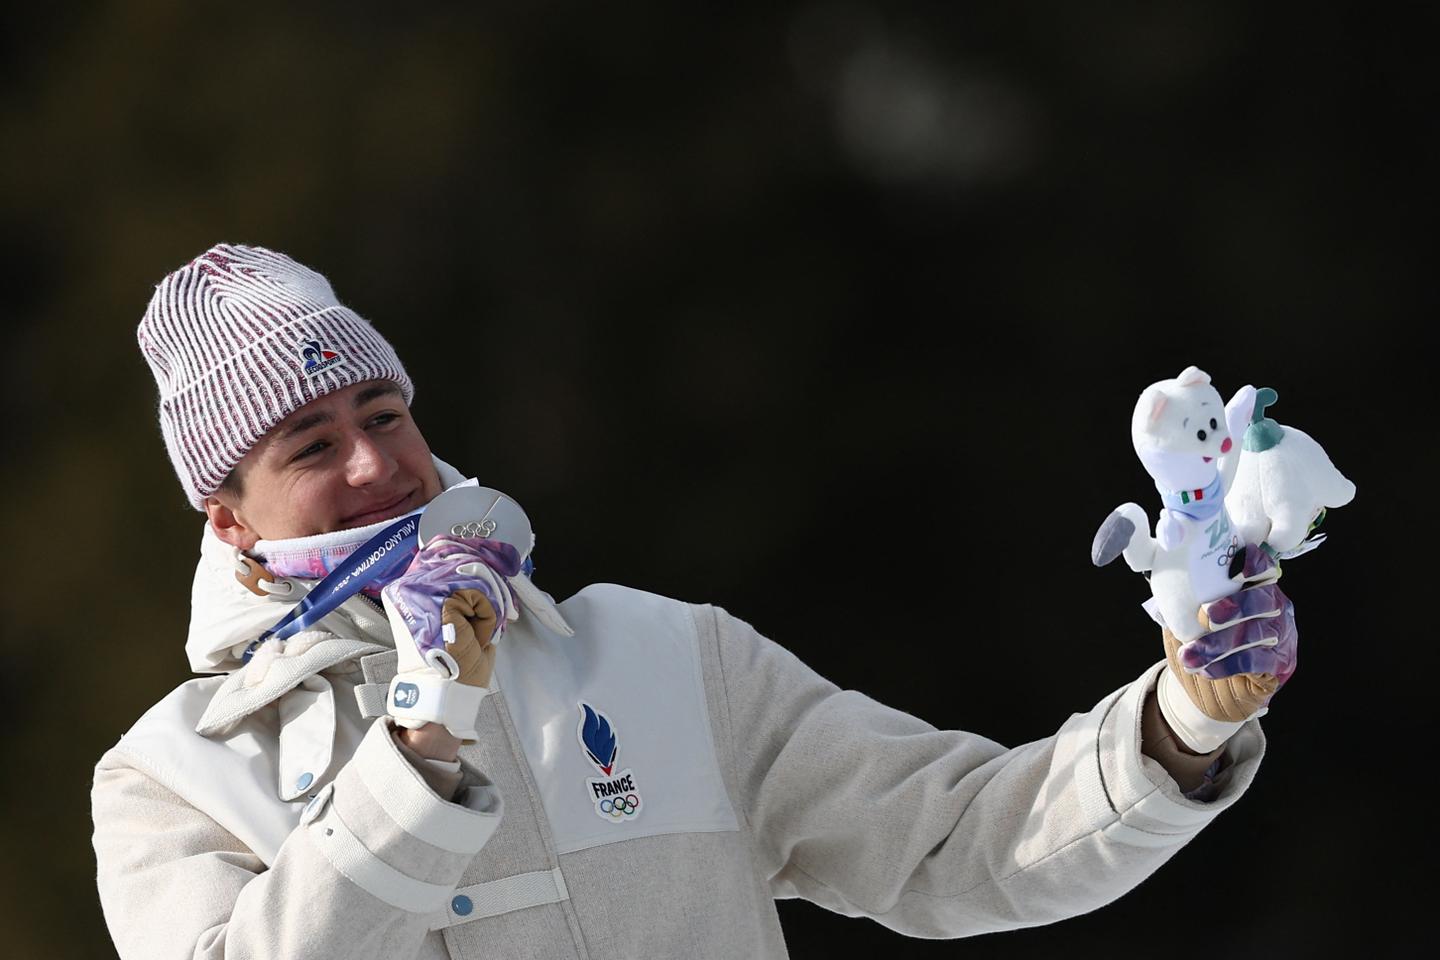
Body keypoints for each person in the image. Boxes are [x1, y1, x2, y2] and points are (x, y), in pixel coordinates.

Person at [92, 243, 1294, 959]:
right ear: (229, 518)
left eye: (383, 417)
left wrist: (1182, 721)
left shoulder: (661, 656)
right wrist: (415, 751)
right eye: (309, 445)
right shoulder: (173, 777)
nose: (372, 465)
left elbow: (961, 843)